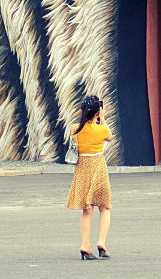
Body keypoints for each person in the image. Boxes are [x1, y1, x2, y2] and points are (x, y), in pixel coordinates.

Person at [65, 95, 114, 260]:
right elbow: (109, 137)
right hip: (98, 167)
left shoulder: (74, 129)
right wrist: (103, 118)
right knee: (104, 207)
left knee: (87, 210)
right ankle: (102, 242)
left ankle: (85, 245)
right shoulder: (101, 129)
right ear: (97, 112)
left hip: (82, 168)